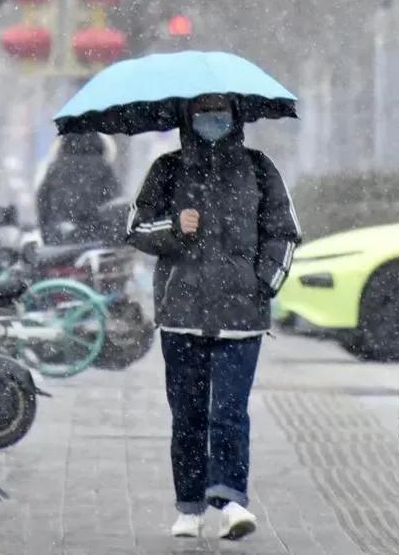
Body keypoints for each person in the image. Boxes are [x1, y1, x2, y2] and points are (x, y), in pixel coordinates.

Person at [127, 94, 300, 541]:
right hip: (181, 317)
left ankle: (231, 501)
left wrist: (263, 284)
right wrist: (171, 226)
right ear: (188, 117)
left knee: (228, 412)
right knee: (187, 415)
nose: (212, 119)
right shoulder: (167, 170)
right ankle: (189, 507)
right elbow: (136, 228)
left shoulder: (259, 168)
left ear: (236, 115)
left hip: (241, 319)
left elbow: (284, 231)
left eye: (220, 111)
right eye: (203, 112)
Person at [36, 132, 121, 244]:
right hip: (93, 242)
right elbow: (113, 206)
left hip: (60, 241)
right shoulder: (104, 169)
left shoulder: (55, 169)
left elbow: (43, 204)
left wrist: (49, 234)